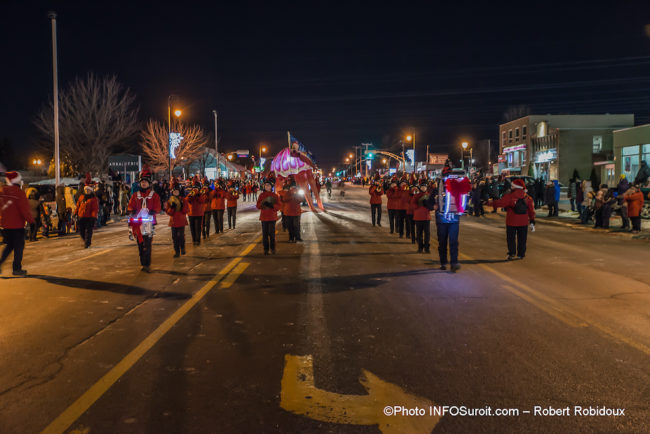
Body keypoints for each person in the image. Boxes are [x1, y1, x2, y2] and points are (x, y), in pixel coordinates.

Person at [489, 179, 536, 260]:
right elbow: (531, 210)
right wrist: (532, 221)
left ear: (515, 187)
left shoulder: (510, 196)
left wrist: (488, 203)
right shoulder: (528, 197)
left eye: (512, 186)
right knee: (522, 239)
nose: (511, 187)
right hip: (523, 222)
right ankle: (521, 254)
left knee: (511, 238)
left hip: (511, 221)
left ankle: (512, 253)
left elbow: (500, 203)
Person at [435, 169, 471, 272]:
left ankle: (454, 262)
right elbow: (430, 199)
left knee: (453, 242)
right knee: (443, 242)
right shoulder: (440, 186)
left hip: (452, 219)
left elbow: (467, 197)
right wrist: (431, 205)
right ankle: (443, 262)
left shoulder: (458, 185)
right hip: (443, 219)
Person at [0, 171, 35, 276]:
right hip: (17, 226)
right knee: (18, 248)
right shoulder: (19, 193)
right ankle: (17, 269)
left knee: (9, 246)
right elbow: (24, 210)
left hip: (6, 226)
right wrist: (32, 222)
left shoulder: (2, 191)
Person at [127, 167, 161, 272]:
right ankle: (143, 263)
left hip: (149, 222)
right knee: (140, 244)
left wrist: (153, 211)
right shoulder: (135, 195)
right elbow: (130, 206)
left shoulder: (154, 195)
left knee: (148, 243)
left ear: (149, 183)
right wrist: (131, 211)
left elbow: (158, 207)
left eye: (146, 182)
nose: (144, 183)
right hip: (138, 223)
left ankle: (147, 264)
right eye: (142, 182)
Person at [74, 177, 99, 248]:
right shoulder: (81, 197)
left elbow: (95, 209)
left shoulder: (93, 199)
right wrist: (75, 213)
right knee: (81, 231)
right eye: (86, 190)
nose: (87, 191)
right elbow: (78, 206)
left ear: (91, 191)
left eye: (88, 190)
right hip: (81, 216)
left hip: (89, 217)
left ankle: (87, 243)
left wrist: (93, 217)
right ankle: (86, 240)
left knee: (88, 231)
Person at [256, 181, 281, 254]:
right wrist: (262, 204)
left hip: (272, 217)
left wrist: (272, 206)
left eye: (268, 185)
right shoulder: (261, 195)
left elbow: (279, 206)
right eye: (266, 185)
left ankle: (273, 248)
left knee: (272, 234)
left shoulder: (275, 195)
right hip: (264, 217)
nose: (267, 187)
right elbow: (257, 206)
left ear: (271, 187)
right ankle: (266, 249)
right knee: (265, 235)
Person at [166, 182, 188, 257]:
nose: (175, 192)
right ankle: (177, 251)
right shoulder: (170, 200)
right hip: (173, 221)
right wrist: (172, 208)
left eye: (177, 191)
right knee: (174, 237)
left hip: (181, 221)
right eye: (174, 191)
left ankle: (182, 248)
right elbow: (168, 212)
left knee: (181, 236)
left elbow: (186, 210)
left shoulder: (183, 200)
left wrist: (182, 207)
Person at [411, 181, 432, 253]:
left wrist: (429, 206)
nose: (423, 188)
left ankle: (427, 247)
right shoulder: (416, 195)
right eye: (422, 187)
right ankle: (420, 247)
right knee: (419, 233)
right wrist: (419, 205)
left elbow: (432, 205)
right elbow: (413, 204)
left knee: (427, 234)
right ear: (420, 188)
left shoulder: (428, 195)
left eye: (425, 187)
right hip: (418, 217)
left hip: (426, 217)